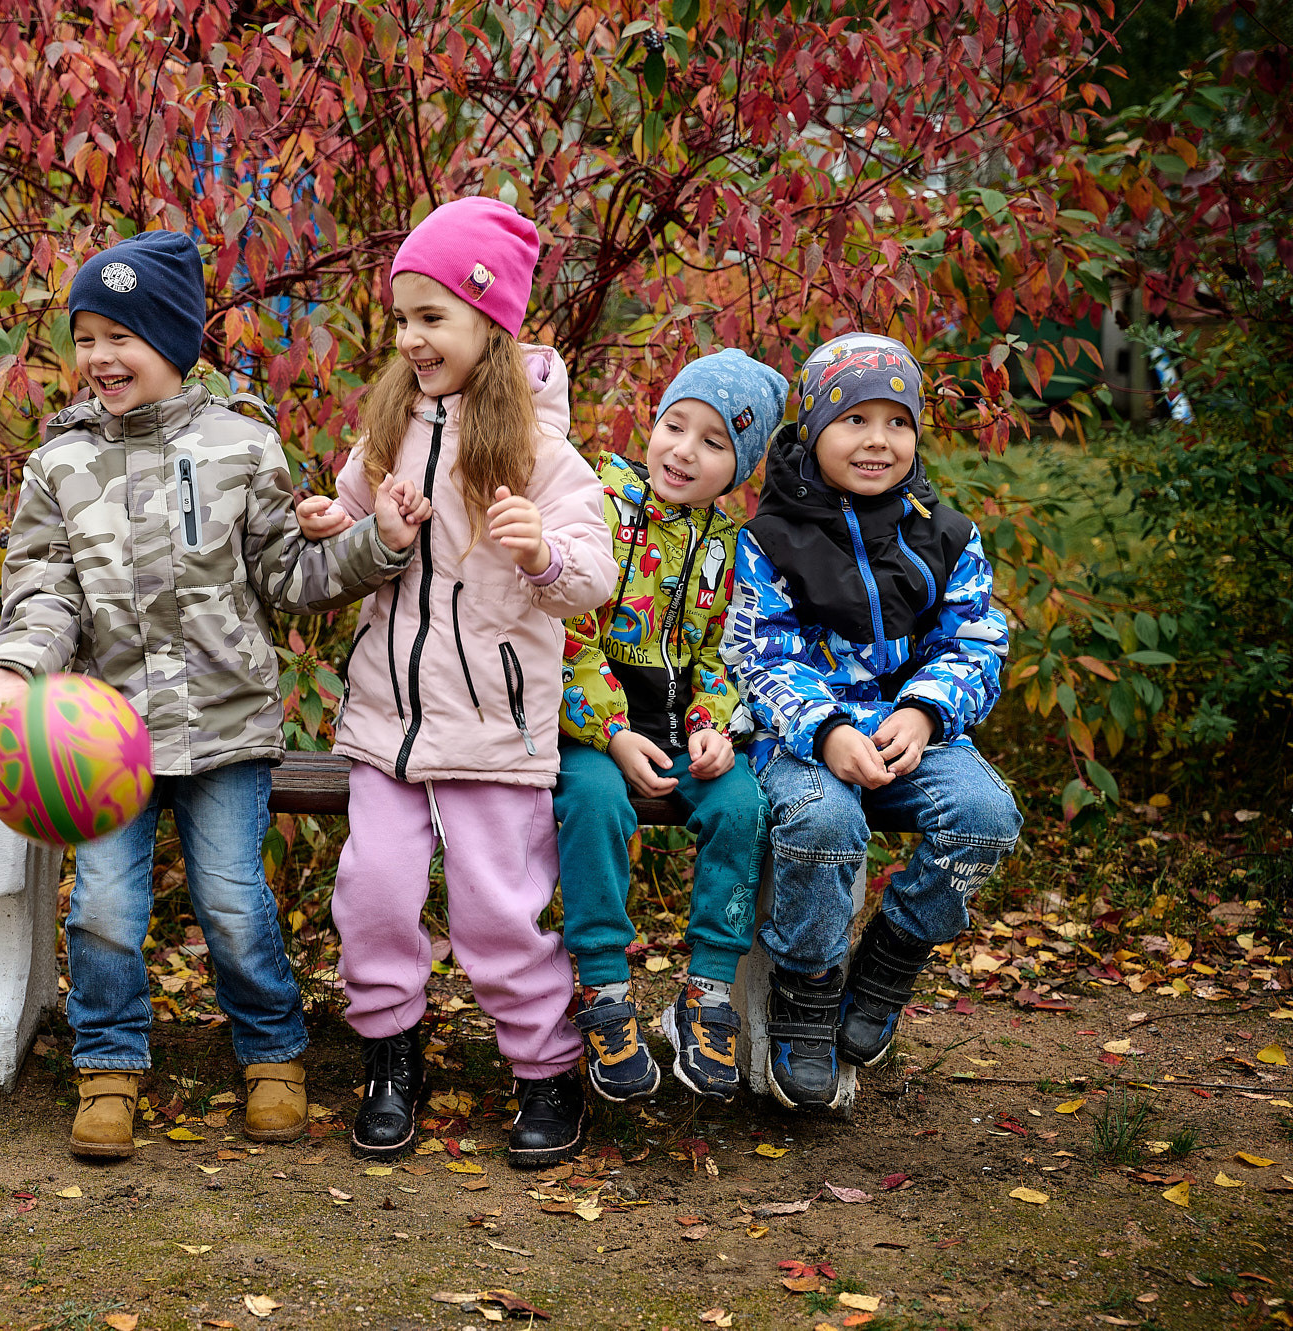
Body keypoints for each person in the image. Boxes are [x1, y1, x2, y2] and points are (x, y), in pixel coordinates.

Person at [0, 230, 423, 1160]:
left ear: (175, 340)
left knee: (234, 900)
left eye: (122, 336)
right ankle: (110, 1064)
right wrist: (18, 663)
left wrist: (380, 543)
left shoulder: (242, 445)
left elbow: (291, 573)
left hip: (225, 726)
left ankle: (273, 1051)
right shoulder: (61, 465)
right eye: (86, 337)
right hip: (104, 737)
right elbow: (44, 589)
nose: (101, 357)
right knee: (105, 907)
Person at [296, 197, 616, 1167]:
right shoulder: (389, 428)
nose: (410, 337)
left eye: (431, 316)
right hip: (387, 719)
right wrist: (336, 522)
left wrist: (541, 556)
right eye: (401, 317)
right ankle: (391, 1058)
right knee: (375, 894)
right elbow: (353, 516)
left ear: (491, 321)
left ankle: (542, 1069)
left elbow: (593, 575)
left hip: (490, 725)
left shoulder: (540, 453)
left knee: (493, 909)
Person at [721, 333, 1023, 1112]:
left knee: (986, 814)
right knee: (823, 822)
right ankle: (809, 985)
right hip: (804, 741)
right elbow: (757, 653)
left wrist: (924, 713)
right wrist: (823, 730)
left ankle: (889, 958)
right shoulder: (769, 539)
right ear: (816, 426)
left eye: (898, 421)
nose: (877, 440)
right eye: (855, 419)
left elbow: (977, 639)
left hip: (909, 734)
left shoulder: (946, 534)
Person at [554, 349, 784, 1104]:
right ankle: (603, 986)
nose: (684, 450)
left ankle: (708, 991)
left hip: (681, 728)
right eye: (674, 425)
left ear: (739, 468)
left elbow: (722, 653)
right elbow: (566, 635)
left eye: (714, 442)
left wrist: (715, 726)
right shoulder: (598, 503)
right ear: (652, 426)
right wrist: (613, 732)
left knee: (744, 806)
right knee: (593, 803)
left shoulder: (728, 544)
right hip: (593, 726)